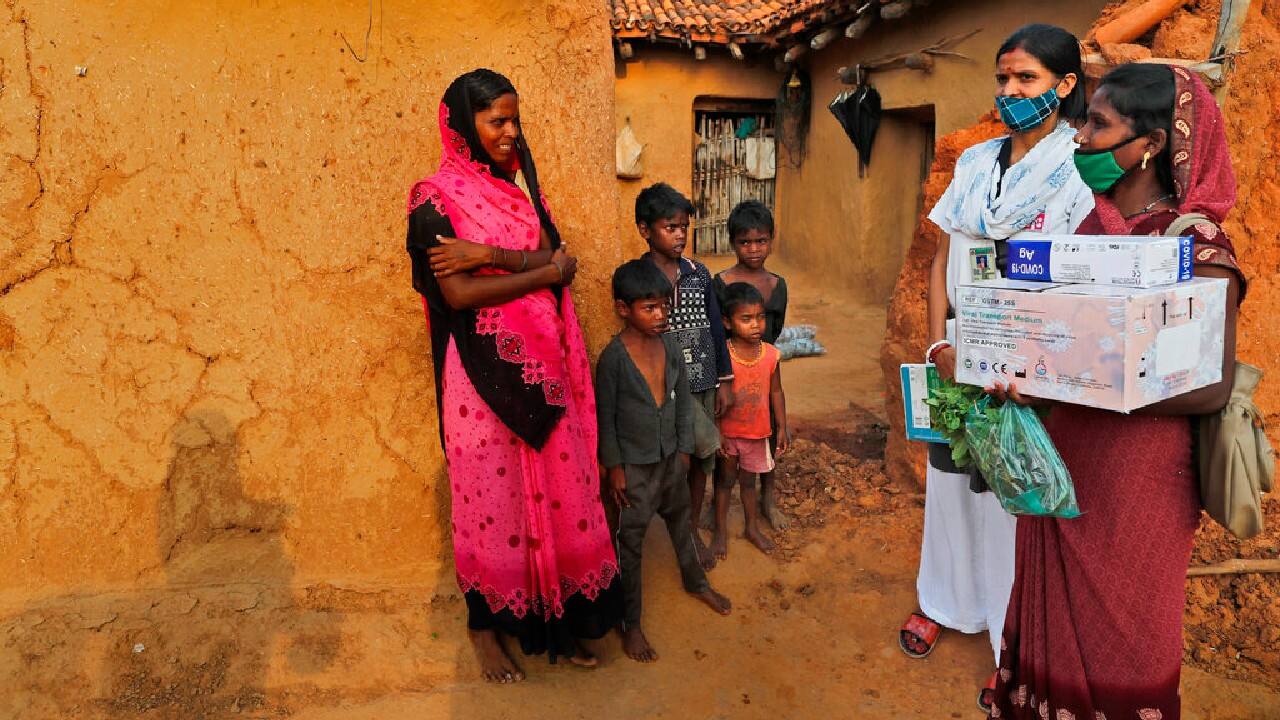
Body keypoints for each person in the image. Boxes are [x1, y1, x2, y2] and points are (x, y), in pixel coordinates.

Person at [989, 63, 1246, 720]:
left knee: (1129, 640)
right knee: (1048, 623)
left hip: (1139, 483)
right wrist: (1017, 375)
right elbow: (1048, 351)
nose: (1082, 137)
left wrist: (1080, 380)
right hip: (1063, 469)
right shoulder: (1082, 239)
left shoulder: (1196, 247)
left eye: (1100, 124)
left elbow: (1209, 385)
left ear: (1152, 144)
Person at [404, 68, 621, 683]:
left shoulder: (517, 194)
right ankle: (486, 629)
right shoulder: (433, 198)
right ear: (462, 126)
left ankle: (560, 624)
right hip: (480, 379)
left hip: (546, 372)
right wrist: (540, 272)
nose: (510, 133)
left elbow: (562, 261)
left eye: (513, 120)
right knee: (493, 505)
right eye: (496, 120)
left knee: (556, 498)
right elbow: (459, 293)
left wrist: (496, 257)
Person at [905, 24, 1095, 712]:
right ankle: (944, 602)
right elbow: (939, 262)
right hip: (957, 353)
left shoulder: (1080, 167)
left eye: (1028, 80)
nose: (1010, 92)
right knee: (950, 486)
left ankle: (1008, 641)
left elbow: (1080, 281)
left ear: (1065, 86)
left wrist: (1032, 364)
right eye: (1003, 79)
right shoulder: (976, 162)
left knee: (1012, 501)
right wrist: (937, 348)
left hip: (1027, 363)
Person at [596, 260, 733, 663]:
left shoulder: (671, 347)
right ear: (624, 309)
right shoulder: (613, 360)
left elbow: (684, 404)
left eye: (664, 307)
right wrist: (616, 467)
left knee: (682, 521)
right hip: (634, 470)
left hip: (671, 460)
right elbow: (605, 417)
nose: (661, 316)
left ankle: (696, 581)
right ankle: (631, 623)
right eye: (649, 308)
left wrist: (686, 449)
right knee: (632, 543)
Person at [636, 182, 734, 570]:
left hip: (704, 381)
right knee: (678, 460)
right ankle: (674, 528)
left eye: (683, 227)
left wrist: (723, 379)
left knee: (701, 460)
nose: (679, 235)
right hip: (667, 390)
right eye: (670, 227)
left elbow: (715, 327)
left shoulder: (698, 273)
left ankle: (691, 527)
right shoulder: (639, 277)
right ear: (646, 230)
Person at [714, 201, 790, 532]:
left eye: (761, 241)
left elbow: (776, 333)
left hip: (763, 367)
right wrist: (725, 379)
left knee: (767, 430)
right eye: (745, 242)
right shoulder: (720, 282)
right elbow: (716, 333)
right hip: (731, 371)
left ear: (771, 239)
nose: (754, 249)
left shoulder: (777, 285)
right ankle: (717, 504)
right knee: (727, 436)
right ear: (733, 243)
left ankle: (767, 499)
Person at [710, 282, 790, 559]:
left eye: (760, 317)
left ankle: (751, 527)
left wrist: (781, 427)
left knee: (748, 483)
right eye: (746, 319)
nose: (756, 325)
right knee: (724, 483)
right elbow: (714, 399)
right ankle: (720, 533)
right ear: (727, 322)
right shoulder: (723, 357)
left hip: (757, 434)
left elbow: (776, 392)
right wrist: (716, 432)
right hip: (729, 434)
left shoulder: (770, 355)